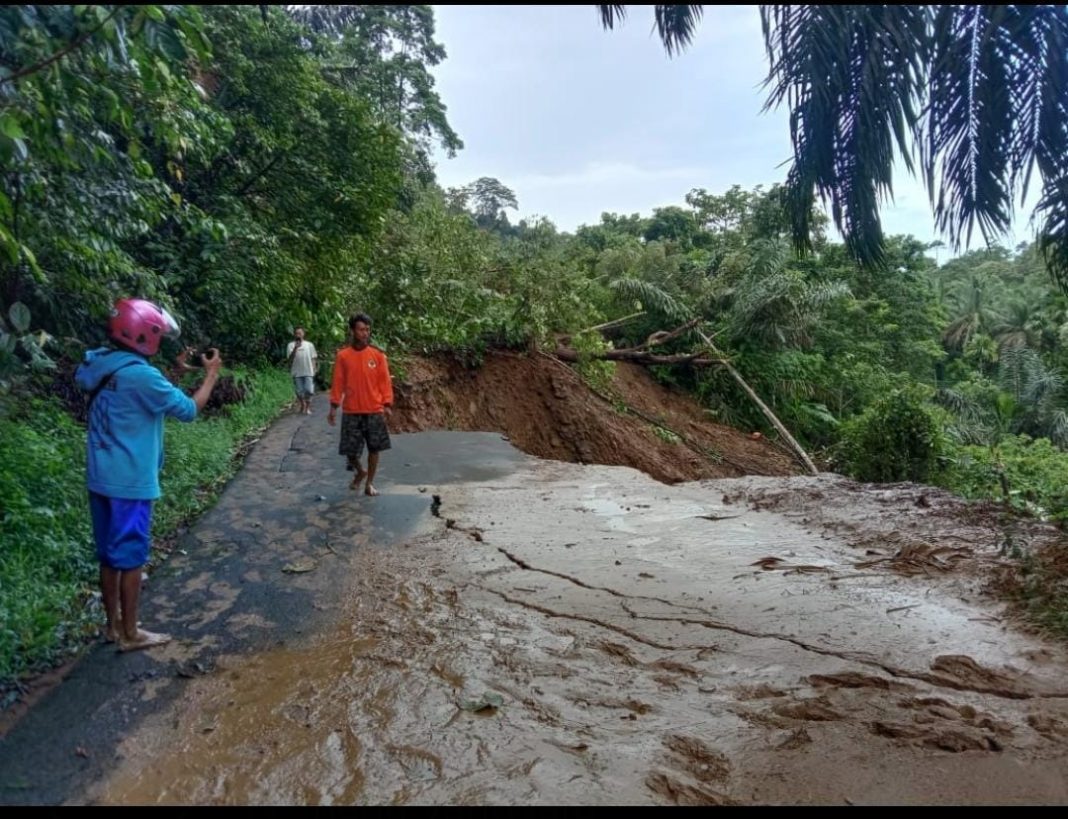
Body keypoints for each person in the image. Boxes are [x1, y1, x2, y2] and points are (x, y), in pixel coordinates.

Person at [75, 298, 223, 652]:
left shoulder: (100, 363)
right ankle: (131, 633)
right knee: (131, 558)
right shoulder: (141, 375)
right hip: (131, 481)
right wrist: (211, 374)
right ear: (145, 335)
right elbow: (187, 409)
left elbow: (140, 394)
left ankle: (112, 627)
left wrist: (174, 373)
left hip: (101, 477)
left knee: (109, 555)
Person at [328, 313, 393, 496]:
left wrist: (387, 404)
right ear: (352, 331)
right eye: (361, 329)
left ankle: (369, 483)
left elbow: (384, 382)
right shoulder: (343, 356)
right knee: (349, 450)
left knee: (374, 448)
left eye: (367, 330)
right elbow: (338, 382)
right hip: (351, 410)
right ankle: (360, 471)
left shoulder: (378, 355)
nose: (365, 333)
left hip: (373, 409)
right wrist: (333, 407)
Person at [285, 326, 318, 415]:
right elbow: (290, 359)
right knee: (299, 391)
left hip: (308, 371)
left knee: (309, 391)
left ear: (303, 334)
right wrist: (296, 348)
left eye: (300, 333)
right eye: (296, 333)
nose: (298, 335)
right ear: (294, 335)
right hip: (296, 372)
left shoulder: (309, 345)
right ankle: (302, 404)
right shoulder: (290, 345)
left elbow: (313, 357)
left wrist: (314, 369)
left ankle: (307, 407)